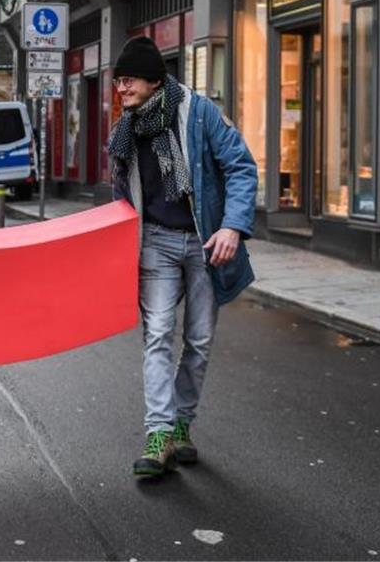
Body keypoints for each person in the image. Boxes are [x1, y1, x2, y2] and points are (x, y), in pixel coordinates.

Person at [107, 36, 258, 478]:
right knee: (157, 334)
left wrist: (232, 225)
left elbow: (240, 165)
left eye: (128, 80)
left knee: (199, 341)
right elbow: (121, 195)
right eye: (117, 81)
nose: (121, 88)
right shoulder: (126, 130)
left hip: (205, 242)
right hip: (155, 241)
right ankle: (158, 435)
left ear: (154, 80)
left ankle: (181, 424)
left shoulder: (199, 113)